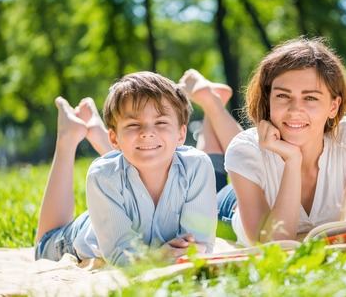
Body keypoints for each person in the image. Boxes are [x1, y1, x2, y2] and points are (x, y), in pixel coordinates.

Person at [217, 37, 346, 247]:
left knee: (244, 149)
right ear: (268, 100)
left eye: (310, 98)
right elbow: (273, 246)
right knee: (216, 167)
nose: (295, 110)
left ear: (333, 107)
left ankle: (213, 101)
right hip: (228, 208)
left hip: (252, 168)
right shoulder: (244, 149)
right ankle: (212, 103)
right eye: (282, 95)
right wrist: (292, 160)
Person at [35, 71, 218, 267]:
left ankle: (95, 130)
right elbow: (120, 255)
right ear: (113, 138)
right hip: (83, 237)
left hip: (117, 210)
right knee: (42, 246)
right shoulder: (102, 176)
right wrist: (158, 257)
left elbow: (198, 244)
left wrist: (176, 252)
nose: (147, 132)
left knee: (128, 162)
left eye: (161, 122)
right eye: (133, 124)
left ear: (181, 134)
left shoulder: (197, 166)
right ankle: (67, 137)